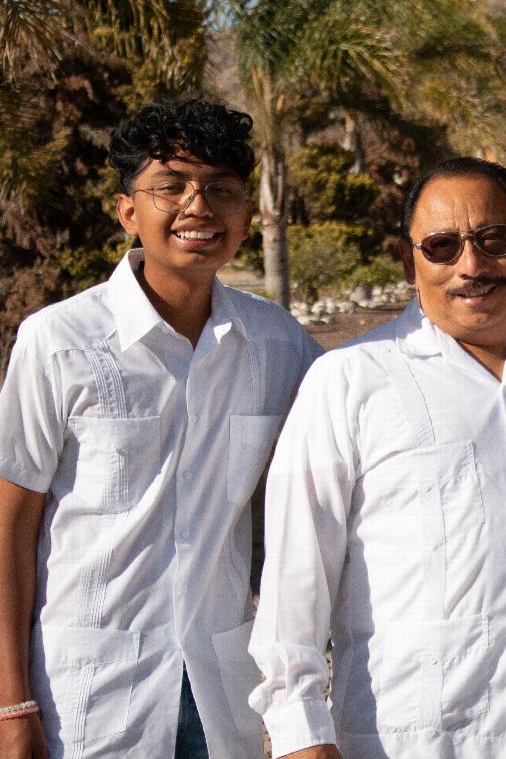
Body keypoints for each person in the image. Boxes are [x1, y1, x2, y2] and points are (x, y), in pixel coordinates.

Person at [248, 157, 506, 758]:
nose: (470, 266)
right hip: (404, 741)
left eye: (494, 239)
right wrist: (300, 734)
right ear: (410, 263)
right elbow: (296, 573)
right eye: (441, 246)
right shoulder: (350, 381)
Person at [0, 98, 324, 758]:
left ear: (246, 216)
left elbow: (368, 407)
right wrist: (11, 704)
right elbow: (9, 529)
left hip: (219, 696)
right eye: (171, 187)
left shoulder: (279, 344)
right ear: (128, 211)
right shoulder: (59, 341)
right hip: (85, 701)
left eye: (220, 190)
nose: (197, 207)